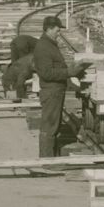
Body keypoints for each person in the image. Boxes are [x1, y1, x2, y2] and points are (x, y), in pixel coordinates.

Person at [33, 15, 88, 157]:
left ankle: (52, 157)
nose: (59, 33)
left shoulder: (49, 44)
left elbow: (55, 67)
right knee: (49, 125)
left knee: (54, 125)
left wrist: (71, 72)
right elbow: (46, 73)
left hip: (56, 91)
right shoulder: (43, 47)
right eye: (57, 31)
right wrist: (69, 72)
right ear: (49, 29)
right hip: (51, 92)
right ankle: (47, 160)